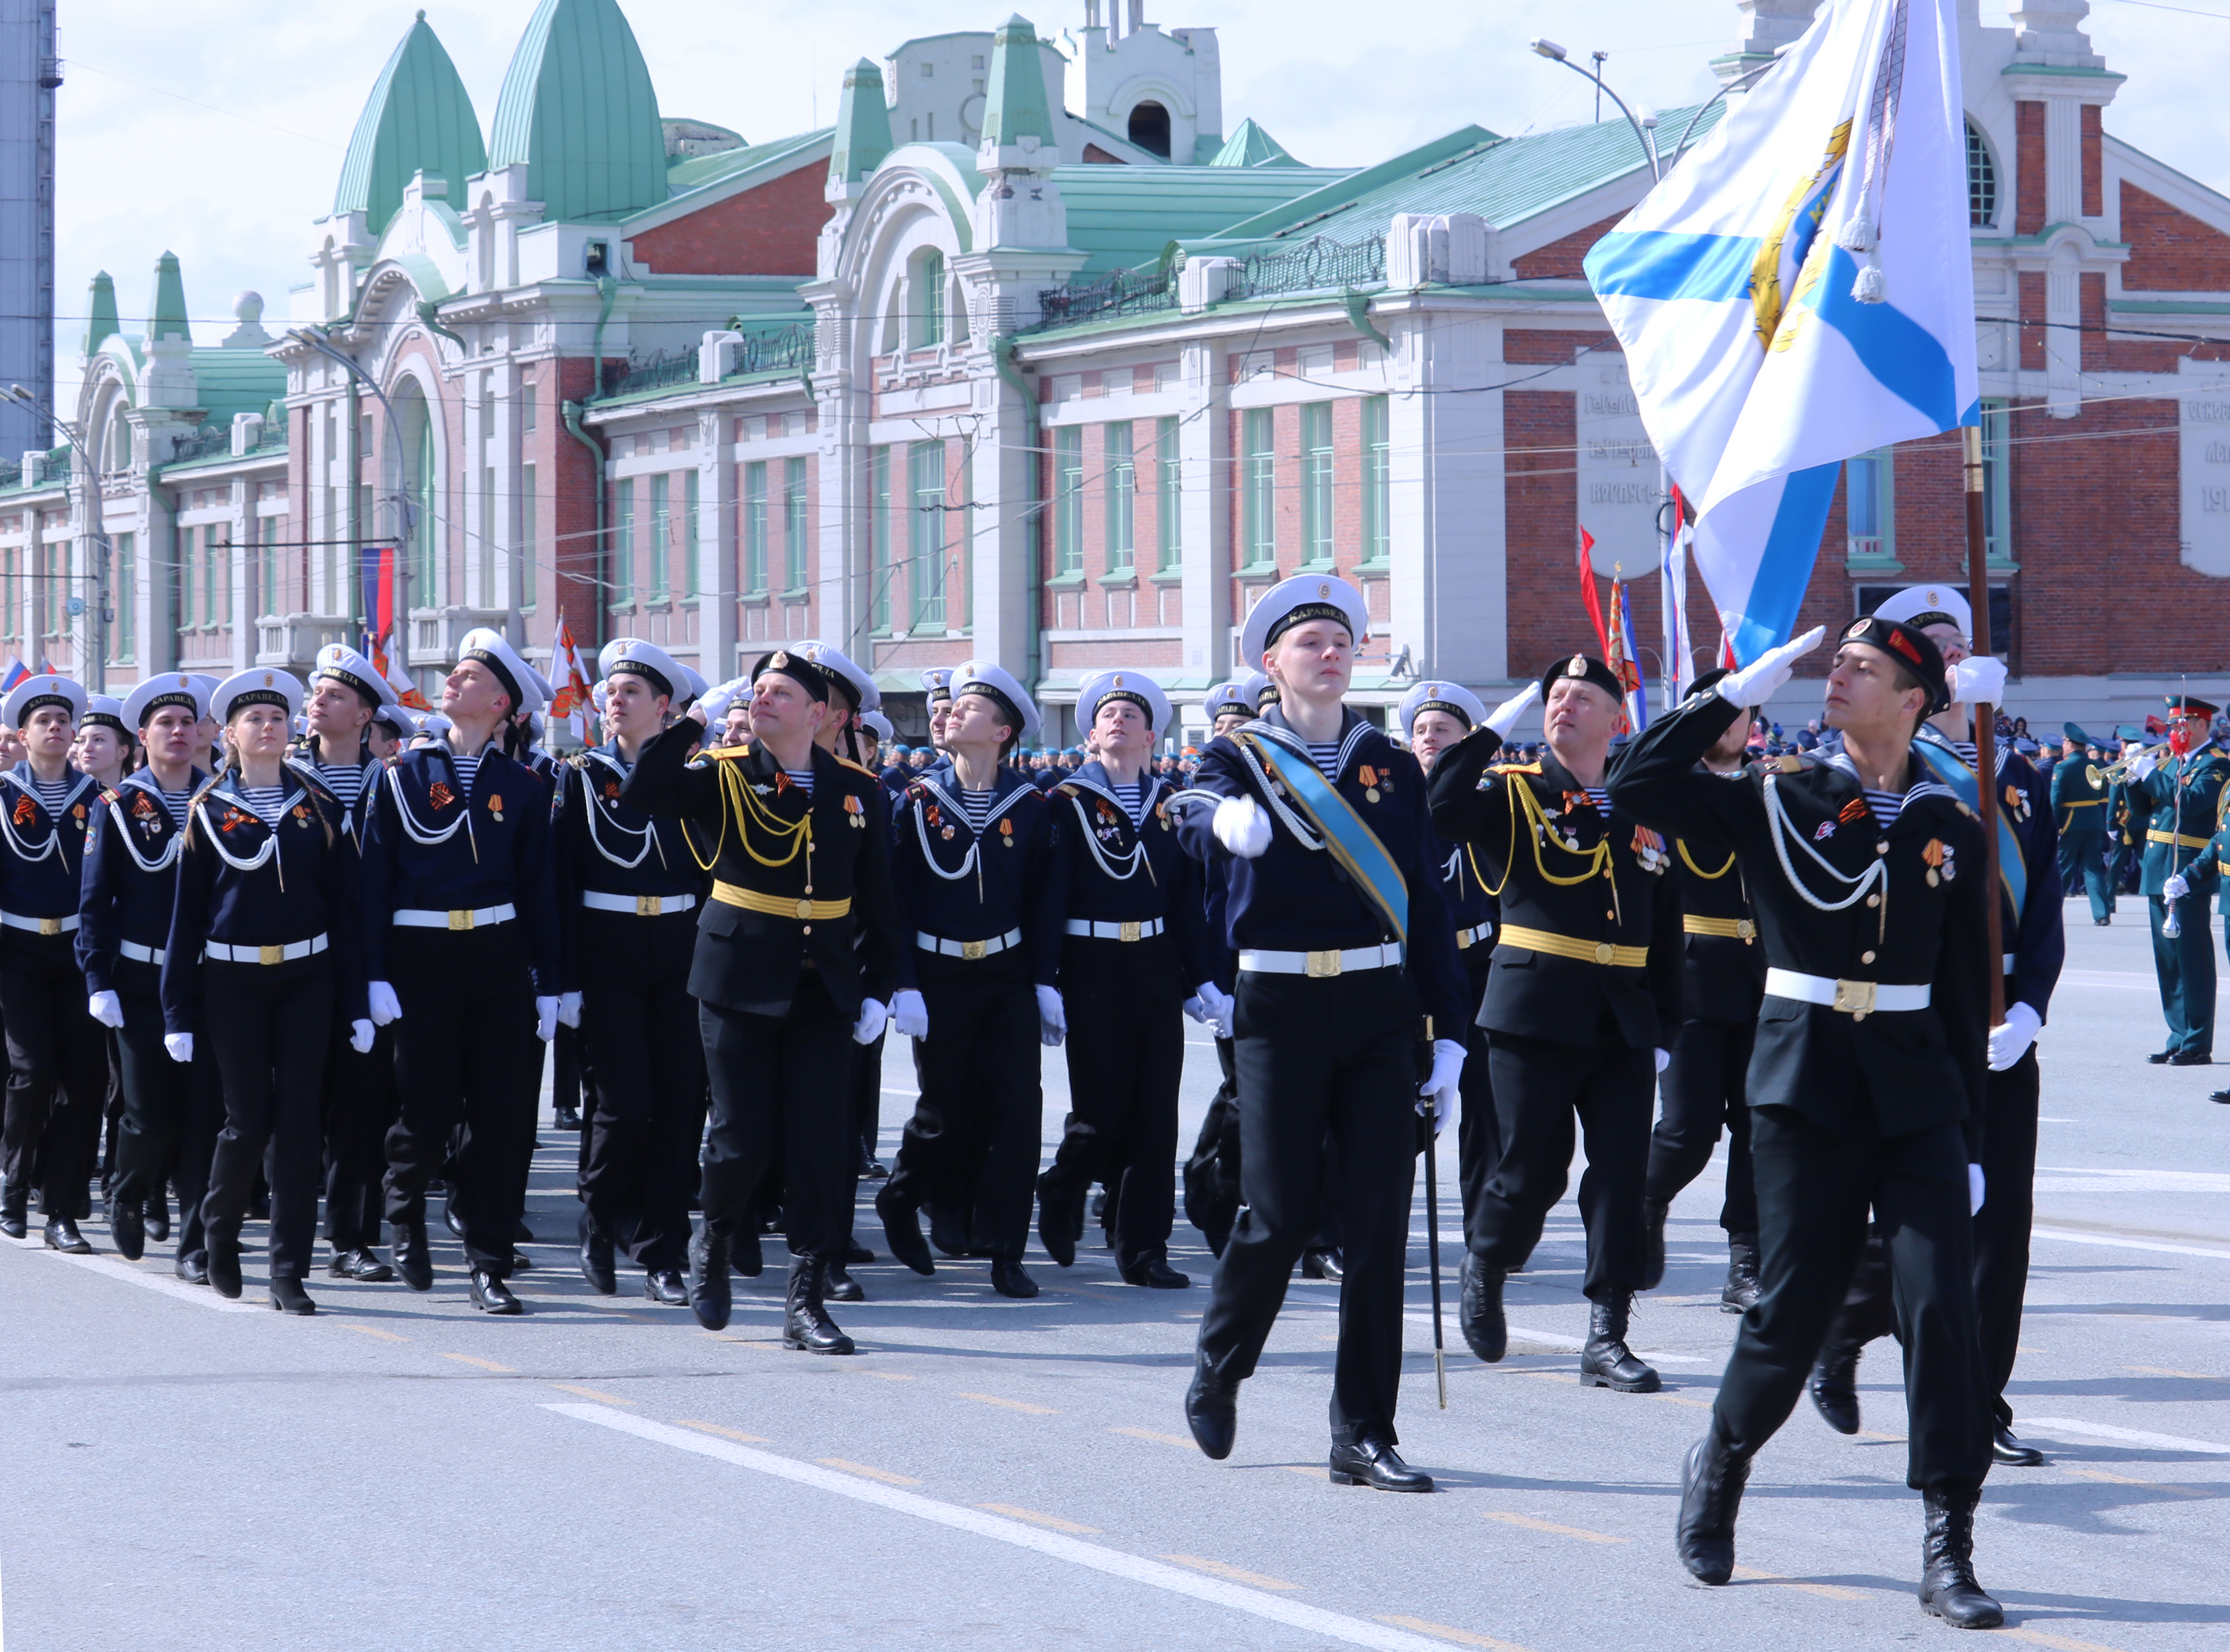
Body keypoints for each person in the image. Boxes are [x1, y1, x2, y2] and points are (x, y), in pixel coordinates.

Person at [1610, 617, 2002, 1629]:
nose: (1835, 676)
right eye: (1835, 663)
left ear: (1913, 700)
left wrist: (1972, 1138)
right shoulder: (1778, 796)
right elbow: (1637, 783)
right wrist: (1729, 695)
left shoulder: (1949, 826)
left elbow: (1964, 992)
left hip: (1916, 1093)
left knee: (1941, 1312)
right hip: (1806, 1081)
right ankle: (1722, 1458)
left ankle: (1948, 1542)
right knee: (1789, 1309)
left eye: (1859, 668)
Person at [1173, 575, 1466, 1493]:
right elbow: (1187, 813)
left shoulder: (1391, 765)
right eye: (1310, 643)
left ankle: (1363, 1432)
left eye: (1342, 642)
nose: (1330, 654)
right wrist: (1220, 823)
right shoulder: (1237, 759)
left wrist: (1450, 1036)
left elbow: (1426, 904)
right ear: (1272, 663)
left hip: (1379, 1009)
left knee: (1376, 1222)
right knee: (1279, 1210)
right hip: (1279, 1009)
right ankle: (1221, 1365)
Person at [1806, 587, 2066, 1471]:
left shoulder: (2018, 773)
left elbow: (2045, 906)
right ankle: (1846, 1324)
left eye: (1962, 643)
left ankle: (1978, 1402)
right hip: (1915, 1018)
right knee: (1920, 1209)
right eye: (1935, 648)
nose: (1956, 657)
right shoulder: (1891, 770)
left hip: (2003, 1022)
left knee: (2001, 1225)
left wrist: (2030, 1006)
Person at [622, 649, 899, 1353]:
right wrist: (694, 724)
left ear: (819, 714)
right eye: (758, 691)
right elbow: (643, 790)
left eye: (781, 692)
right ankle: (713, 1243)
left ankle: (805, 1300)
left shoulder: (858, 789)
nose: (764, 699)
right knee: (740, 1136)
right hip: (739, 981)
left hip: (823, 987)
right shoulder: (721, 774)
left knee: (820, 1144)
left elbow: (881, 899)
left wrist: (880, 987)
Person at [1427, 654, 1683, 1394]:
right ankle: (1486, 1260)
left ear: (1616, 719)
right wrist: (1485, 735)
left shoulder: (1641, 807)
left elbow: (1665, 925)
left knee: (1621, 1178)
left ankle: (1607, 1335)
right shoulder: (1513, 793)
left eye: (1581, 698)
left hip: (1623, 1019)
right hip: (1534, 1010)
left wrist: (1666, 1026)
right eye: (1555, 697)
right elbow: (1439, 809)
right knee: (1531, 1170)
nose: (1563, 706)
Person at [361, 629, 560, 1314]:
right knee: (428, 1107)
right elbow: (373, 881)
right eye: (453, 673)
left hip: (498, 958)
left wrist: (551, 979)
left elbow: (539, 889)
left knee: (501, 1116)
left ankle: (488, 1260)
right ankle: (404, 1207)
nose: (452, 680)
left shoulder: (523, 787)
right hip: (421, 960)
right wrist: (374, 973)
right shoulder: (402, 776)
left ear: (502, 703)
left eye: (470, 676)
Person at [161, 670, 369, 1313]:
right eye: (253, 718)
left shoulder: (319, 807)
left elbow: (345, 911)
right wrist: (177, 1011)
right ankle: (219, 1232)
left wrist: (358, 1002)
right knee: (248, 1120)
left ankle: (288, 1271)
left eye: (277, 717)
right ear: (229, 734)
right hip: (233, 981)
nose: (268, 727)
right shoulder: (208, 811)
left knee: (300, 1123)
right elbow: (185, 920)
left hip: (307, 977)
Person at [875, 662, 1062, 1298]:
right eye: (954, 705)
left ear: (1002, 731)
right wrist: (904, 983)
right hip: (938, 973)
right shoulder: (916, 802)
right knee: (944, 1109)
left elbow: (1044, 901)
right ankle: (902, 1197)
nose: (953, 712)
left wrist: (1044, 980)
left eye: (971, 707)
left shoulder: (1031, 807)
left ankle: (1005, 1249)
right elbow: (894, 901)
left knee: (1019, 1108)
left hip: (1006, 974)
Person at [1035, 670, 1217, 1287]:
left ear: (1151, 736)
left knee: (1156, 1115)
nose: (1117, 722)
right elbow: (1049, 898)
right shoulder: (1065, 803)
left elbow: (1186, 903)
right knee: (1102, 1110)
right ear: (1090, 737)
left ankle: (1144, 1248)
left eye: (1129, 715)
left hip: (1155, 964)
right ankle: (1062, 1184)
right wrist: (1045, 979)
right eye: (1107, 716)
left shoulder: (1173, 806)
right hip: (1090, 964)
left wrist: (1200, 982)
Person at [550, 639, 713, 1305]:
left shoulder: (692, 774)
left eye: (631, 692)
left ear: (665, 706)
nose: (615, 701)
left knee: (678, 1104)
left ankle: (662, 1252)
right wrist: (561, 977)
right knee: (621, 1103)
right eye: (610, 692)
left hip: (678, 945)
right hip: (606, 946)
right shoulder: (580, 776)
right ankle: (599, 1219)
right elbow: (562, 879)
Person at [1634, 667, 1767, 1313]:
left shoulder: (1770, 788)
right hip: (1689, 982)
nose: (1727, 723)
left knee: (1758, 1128)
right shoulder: (1667, 792)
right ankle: (1645, 1200)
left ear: (1753, 723)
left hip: (1764, 982)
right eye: (1714, 710)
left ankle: (1746, 1261)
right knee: (1687, 1131)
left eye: (1737, 711)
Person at [78, 675, 221, 1279]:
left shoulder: (220, 799)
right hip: (140, 979)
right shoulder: (116, 806)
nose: (179, 732)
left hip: (209, 982)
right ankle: (130, 1191)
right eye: (166, 724)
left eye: (188, 723)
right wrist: (97, 979)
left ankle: (195, 1244)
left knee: (204, 1115)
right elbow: (94, 900)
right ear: (142, 736)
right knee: (148, 1110)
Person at [293, 645, 402, 1282]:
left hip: (370, 960)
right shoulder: (281, 777)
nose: (319, 702)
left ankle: (351, 1238)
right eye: (317, 693)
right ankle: (287, 1227)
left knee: (362, 1105)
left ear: (364, 716)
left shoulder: (390, 782)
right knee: (294, 1102)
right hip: (298, 957)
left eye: (335, 696)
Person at [1397, 678, 1502, 1294]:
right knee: (1403, 1105)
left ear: (1469, 744)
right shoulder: (1392, 802)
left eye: (1443, 730)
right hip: (1418, 972)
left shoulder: (1493, 800)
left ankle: (1484, 1239)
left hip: (1484, 964)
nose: (1430, 738)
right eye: (1421, 730)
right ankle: (1358, 1223)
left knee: (1488, 1108)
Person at [0, 675, 106, 1250]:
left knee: (84, 1082)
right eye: (44, 721)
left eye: (64, 721)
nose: (57, 728)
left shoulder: (98, 799)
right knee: (32, 1072)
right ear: (23, 735)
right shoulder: (3, 796)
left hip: (77, 953)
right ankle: (14, 1186)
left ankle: (61, 1209)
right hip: (17, 952)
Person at [2126, 694, 2228, 1065]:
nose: (2174, 732)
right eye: (2172, 726)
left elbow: (2193, 802)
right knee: (2168, 960)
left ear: (2202, 725)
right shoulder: (2172, 762)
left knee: (2192, 958)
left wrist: (2151, 776)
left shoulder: (2215, 764)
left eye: (2181, 725)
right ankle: (2178, 1035)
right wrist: (2132, 778)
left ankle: (2197, 1041)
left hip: (2188, 870)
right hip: (2159, 868)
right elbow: (2142, 810)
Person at [2052, 726, 2114, 925]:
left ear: (2070, 745)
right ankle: (2102, 914)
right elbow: (2102, 792)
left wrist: (2053, 825)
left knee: (2063, 868)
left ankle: (2051, 912)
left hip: (2071, 822)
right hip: (2094, 820)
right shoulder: (2095, 765)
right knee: (2093, 868)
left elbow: (2056, 799)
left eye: (2064, 742)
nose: (2063, 746)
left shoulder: (2063, 767)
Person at [75, 698, 132, 789]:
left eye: (98, 740)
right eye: (82, 741)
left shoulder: (139, 797)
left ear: (122, 752)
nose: (87, 748)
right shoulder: (68, 796)